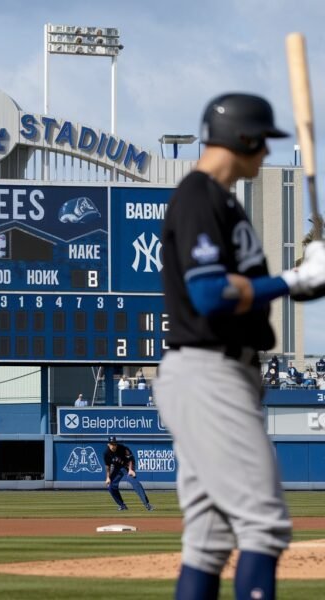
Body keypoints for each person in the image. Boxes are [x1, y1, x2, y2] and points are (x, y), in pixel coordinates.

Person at [153, 93, 325, 599]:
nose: (267, 154)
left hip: (216, 371)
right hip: (210, 371)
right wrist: (293, 278)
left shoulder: (222, 201)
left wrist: (310, 278)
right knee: (264, 525)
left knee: (208, 539)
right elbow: (209, 294)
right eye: (263, 143)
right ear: (244, 139)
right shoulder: (198, 196)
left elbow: (254, 292)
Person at [103, 436, 153, 512]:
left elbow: (130, 459)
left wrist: (130, 470)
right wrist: (107, 477)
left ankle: (147, 504)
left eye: (114, 444)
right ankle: (122, 506)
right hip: (117, 468)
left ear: (116, 444)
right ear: (108, 444)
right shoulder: (106, 453)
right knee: (110, 486)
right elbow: (107, 466)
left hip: (127, 466)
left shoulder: (123, 448)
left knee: (134, 482)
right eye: (111, 444)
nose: (113, 446)